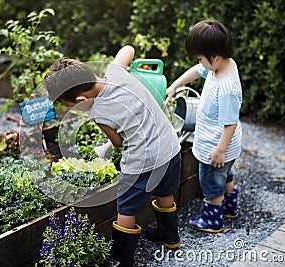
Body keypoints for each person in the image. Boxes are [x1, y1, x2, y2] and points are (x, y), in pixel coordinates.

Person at [44, 45, 181, 266]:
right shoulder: (116, 71)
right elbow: (128, 49)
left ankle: (121, 258)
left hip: (143, 162)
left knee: (125, 208)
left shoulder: (98, 113)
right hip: (170, 146)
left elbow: (118, 143)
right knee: (165, 191)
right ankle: (170, 237)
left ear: (80, 100)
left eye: (71, 106)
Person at [166, 19, 242, 233]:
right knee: (225, 176)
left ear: (214, 57)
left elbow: (230, 123)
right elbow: (198, 71)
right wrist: (175, 85)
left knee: (210, 183)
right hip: (226, 147)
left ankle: (212, 221)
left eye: (201, 57)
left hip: (216, 147)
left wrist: (219, 151)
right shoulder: (221, 66)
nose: (199, 62)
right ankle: (230, 207)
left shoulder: (226, 87)